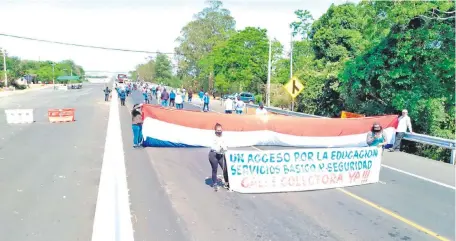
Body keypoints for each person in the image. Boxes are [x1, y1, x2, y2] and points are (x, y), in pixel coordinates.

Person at [208, 123, 229, 191]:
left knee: (225, 168)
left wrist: (225, 148)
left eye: (220, 130)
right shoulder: (213, 137)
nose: (219, 131)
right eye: (218, 130)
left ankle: (227, 183)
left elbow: (225, 145)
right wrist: (218, 148)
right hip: (213, 155)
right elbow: (213, 146)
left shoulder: (223, 137)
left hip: (220, 155)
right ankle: (215, 184)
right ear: (215, 130)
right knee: (215, 169)